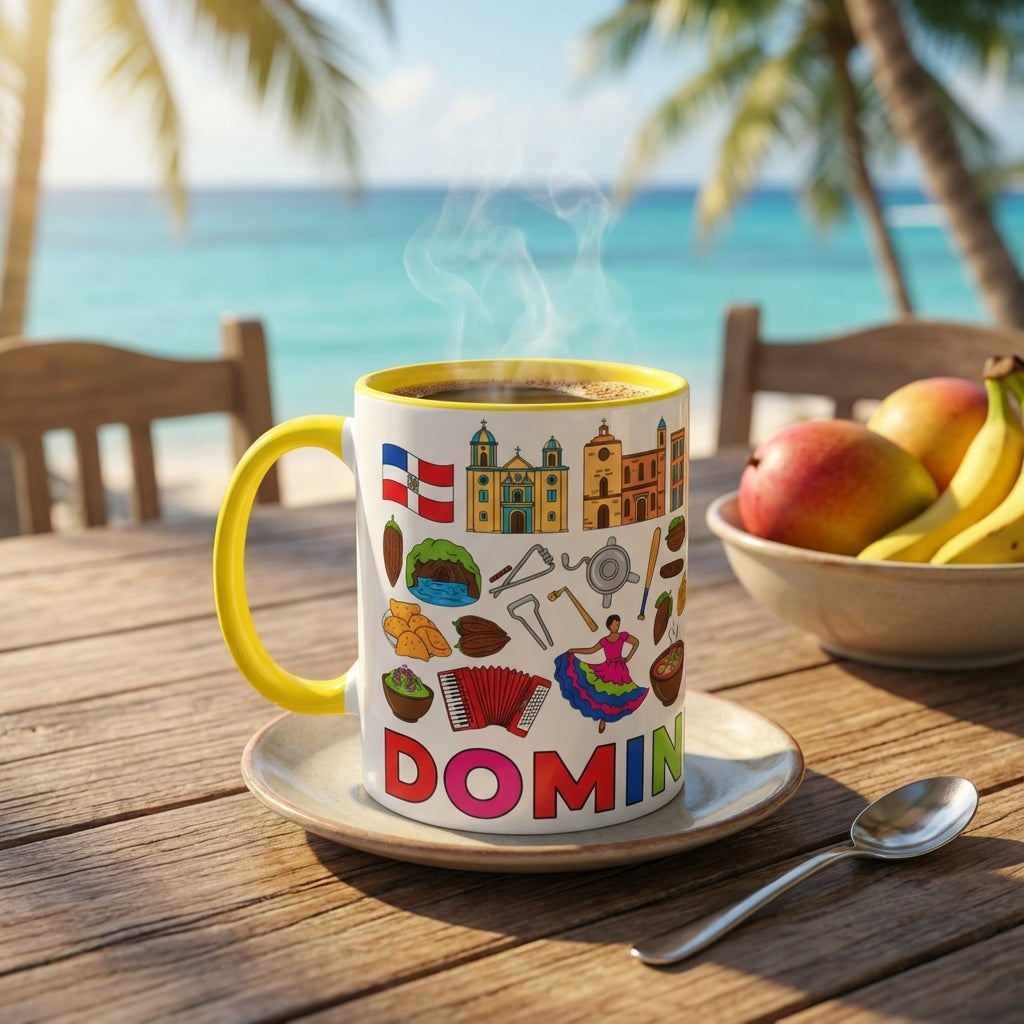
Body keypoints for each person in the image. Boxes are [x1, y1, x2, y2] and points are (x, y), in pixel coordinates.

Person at [554, 615, 647, 732]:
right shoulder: (604, 640)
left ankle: (608, 718)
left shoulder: (622, 636)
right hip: (607, 668)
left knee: (618, 694)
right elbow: (591, 650)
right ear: (609, 626)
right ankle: (603, 718)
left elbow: (636, 642)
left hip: (620, 669)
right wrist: (575, 650)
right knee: (602, 695)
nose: (616, 626)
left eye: (618, 624)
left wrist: (628, 657)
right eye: (614, 624)